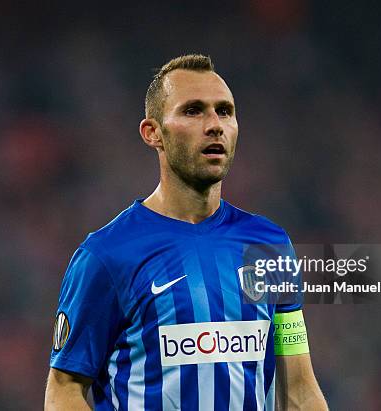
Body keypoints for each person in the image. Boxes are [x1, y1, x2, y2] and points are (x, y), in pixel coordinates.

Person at [44, 54, 327, 410]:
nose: (214, 125)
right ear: (153, 133)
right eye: (193, 111)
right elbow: (64, 389)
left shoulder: (269, 246)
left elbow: (298, 388)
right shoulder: (106, 255)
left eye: (225, 111)